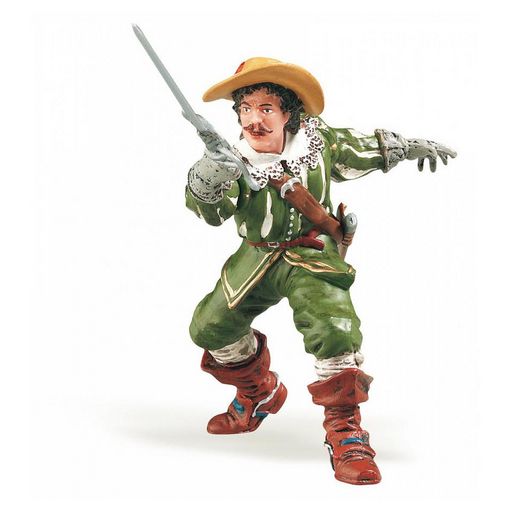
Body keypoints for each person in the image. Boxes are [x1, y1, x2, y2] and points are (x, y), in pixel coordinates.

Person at [184, 57, 456, 485]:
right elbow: (213, 214)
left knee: (335, 329)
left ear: (288, 113)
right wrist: (207, 177)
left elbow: (361, 148)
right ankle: (259, 393)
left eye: (266, 108)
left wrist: (407, 148)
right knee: (209, 327)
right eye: (246, 109)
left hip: (313, 254)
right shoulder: (231, 160)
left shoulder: (317, 142)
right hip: (255, 259)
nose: (254, 120)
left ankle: (346, 430)